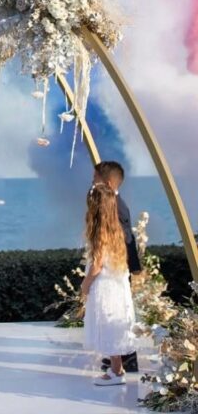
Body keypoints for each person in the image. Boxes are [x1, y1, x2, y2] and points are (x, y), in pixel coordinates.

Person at [80, 182, 136, 386]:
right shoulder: (115, 227)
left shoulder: (100, 230)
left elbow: (97, 264)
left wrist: (85, 285)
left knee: (108, 322)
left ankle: (116, 371)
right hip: (116, 282)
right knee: (113, 322)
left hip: (105, 285)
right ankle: (116, 368)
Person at [92, 160, 141, 373]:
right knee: (115, 311)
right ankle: (118, 356)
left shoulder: (117, 207)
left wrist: (134, 266)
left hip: (116, 267)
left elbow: (127, 238)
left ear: (109, 183)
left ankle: (126, 357)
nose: (92, 183)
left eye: (95, 179)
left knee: (117, 312)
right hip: (117, 266)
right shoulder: (114, 203)